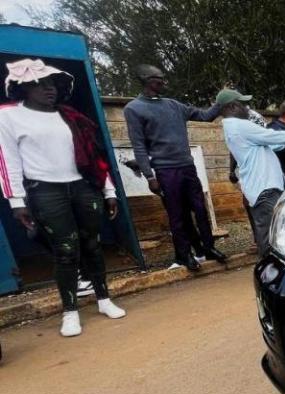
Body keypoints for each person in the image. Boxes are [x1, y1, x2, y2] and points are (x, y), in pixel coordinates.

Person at [0, 58, 126, 337]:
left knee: (92, 245)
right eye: (41, 84)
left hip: (82, 187)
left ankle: (104, 300)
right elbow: (8, 163)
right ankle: (70, 312)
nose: (50, 89)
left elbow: (94, 158)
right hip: (44, 190)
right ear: (23, 88)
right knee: (66, 251)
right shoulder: (8, 116)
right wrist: (16, 201)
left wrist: (108, 191)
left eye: (52, 83)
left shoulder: (70, 116)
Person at [123, 64, 228, 271]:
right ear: (145, 79)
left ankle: (208, 248)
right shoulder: (133, 109)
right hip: (165, 170)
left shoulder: (173, 105)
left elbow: (205, 116)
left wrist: (221, 100)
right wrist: (149, 176)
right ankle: (184, 255)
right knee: (177, 215)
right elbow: (139, 145)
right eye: (158, 78)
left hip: (187, 166)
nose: (163, 82)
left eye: (163, 78)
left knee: (200, 210)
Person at [219, 89, 285, 256]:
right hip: (265, 190)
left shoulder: (233, 127)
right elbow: (271, 138)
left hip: (264, 188)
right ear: (232, 106)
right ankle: (268, 271)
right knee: (270, 235)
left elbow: (270, 145)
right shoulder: (240, 125)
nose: (247, 108)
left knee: (275, 231)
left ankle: (271, 267)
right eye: (243, 104)